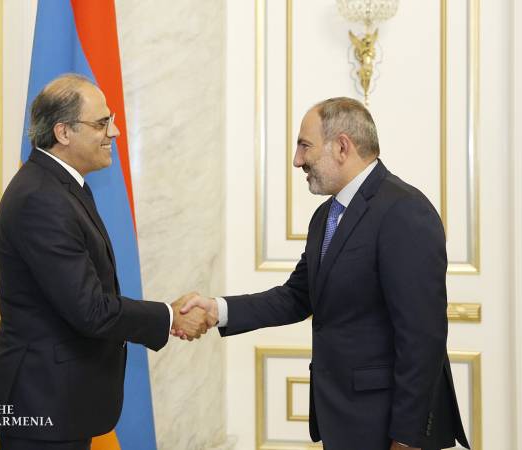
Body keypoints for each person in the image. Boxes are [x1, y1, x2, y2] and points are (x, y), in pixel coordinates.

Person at [179, 97, 471, 450]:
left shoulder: (403, 210)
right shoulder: (325, 217)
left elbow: (423, 337)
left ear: (342, 147)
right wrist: (216, 310)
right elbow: (297, 296)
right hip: (343, 420)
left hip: (389, 426)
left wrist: (407, 438)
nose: (297, 160)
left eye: (305, 146)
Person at [0, 74, 207, 450]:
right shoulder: (42, 198)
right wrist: (169, 316)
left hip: (61, 403)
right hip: (43, 407)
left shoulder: (59, 187)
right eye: (102, 123)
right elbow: (90, 309)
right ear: (63, 132)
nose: (116, 132)